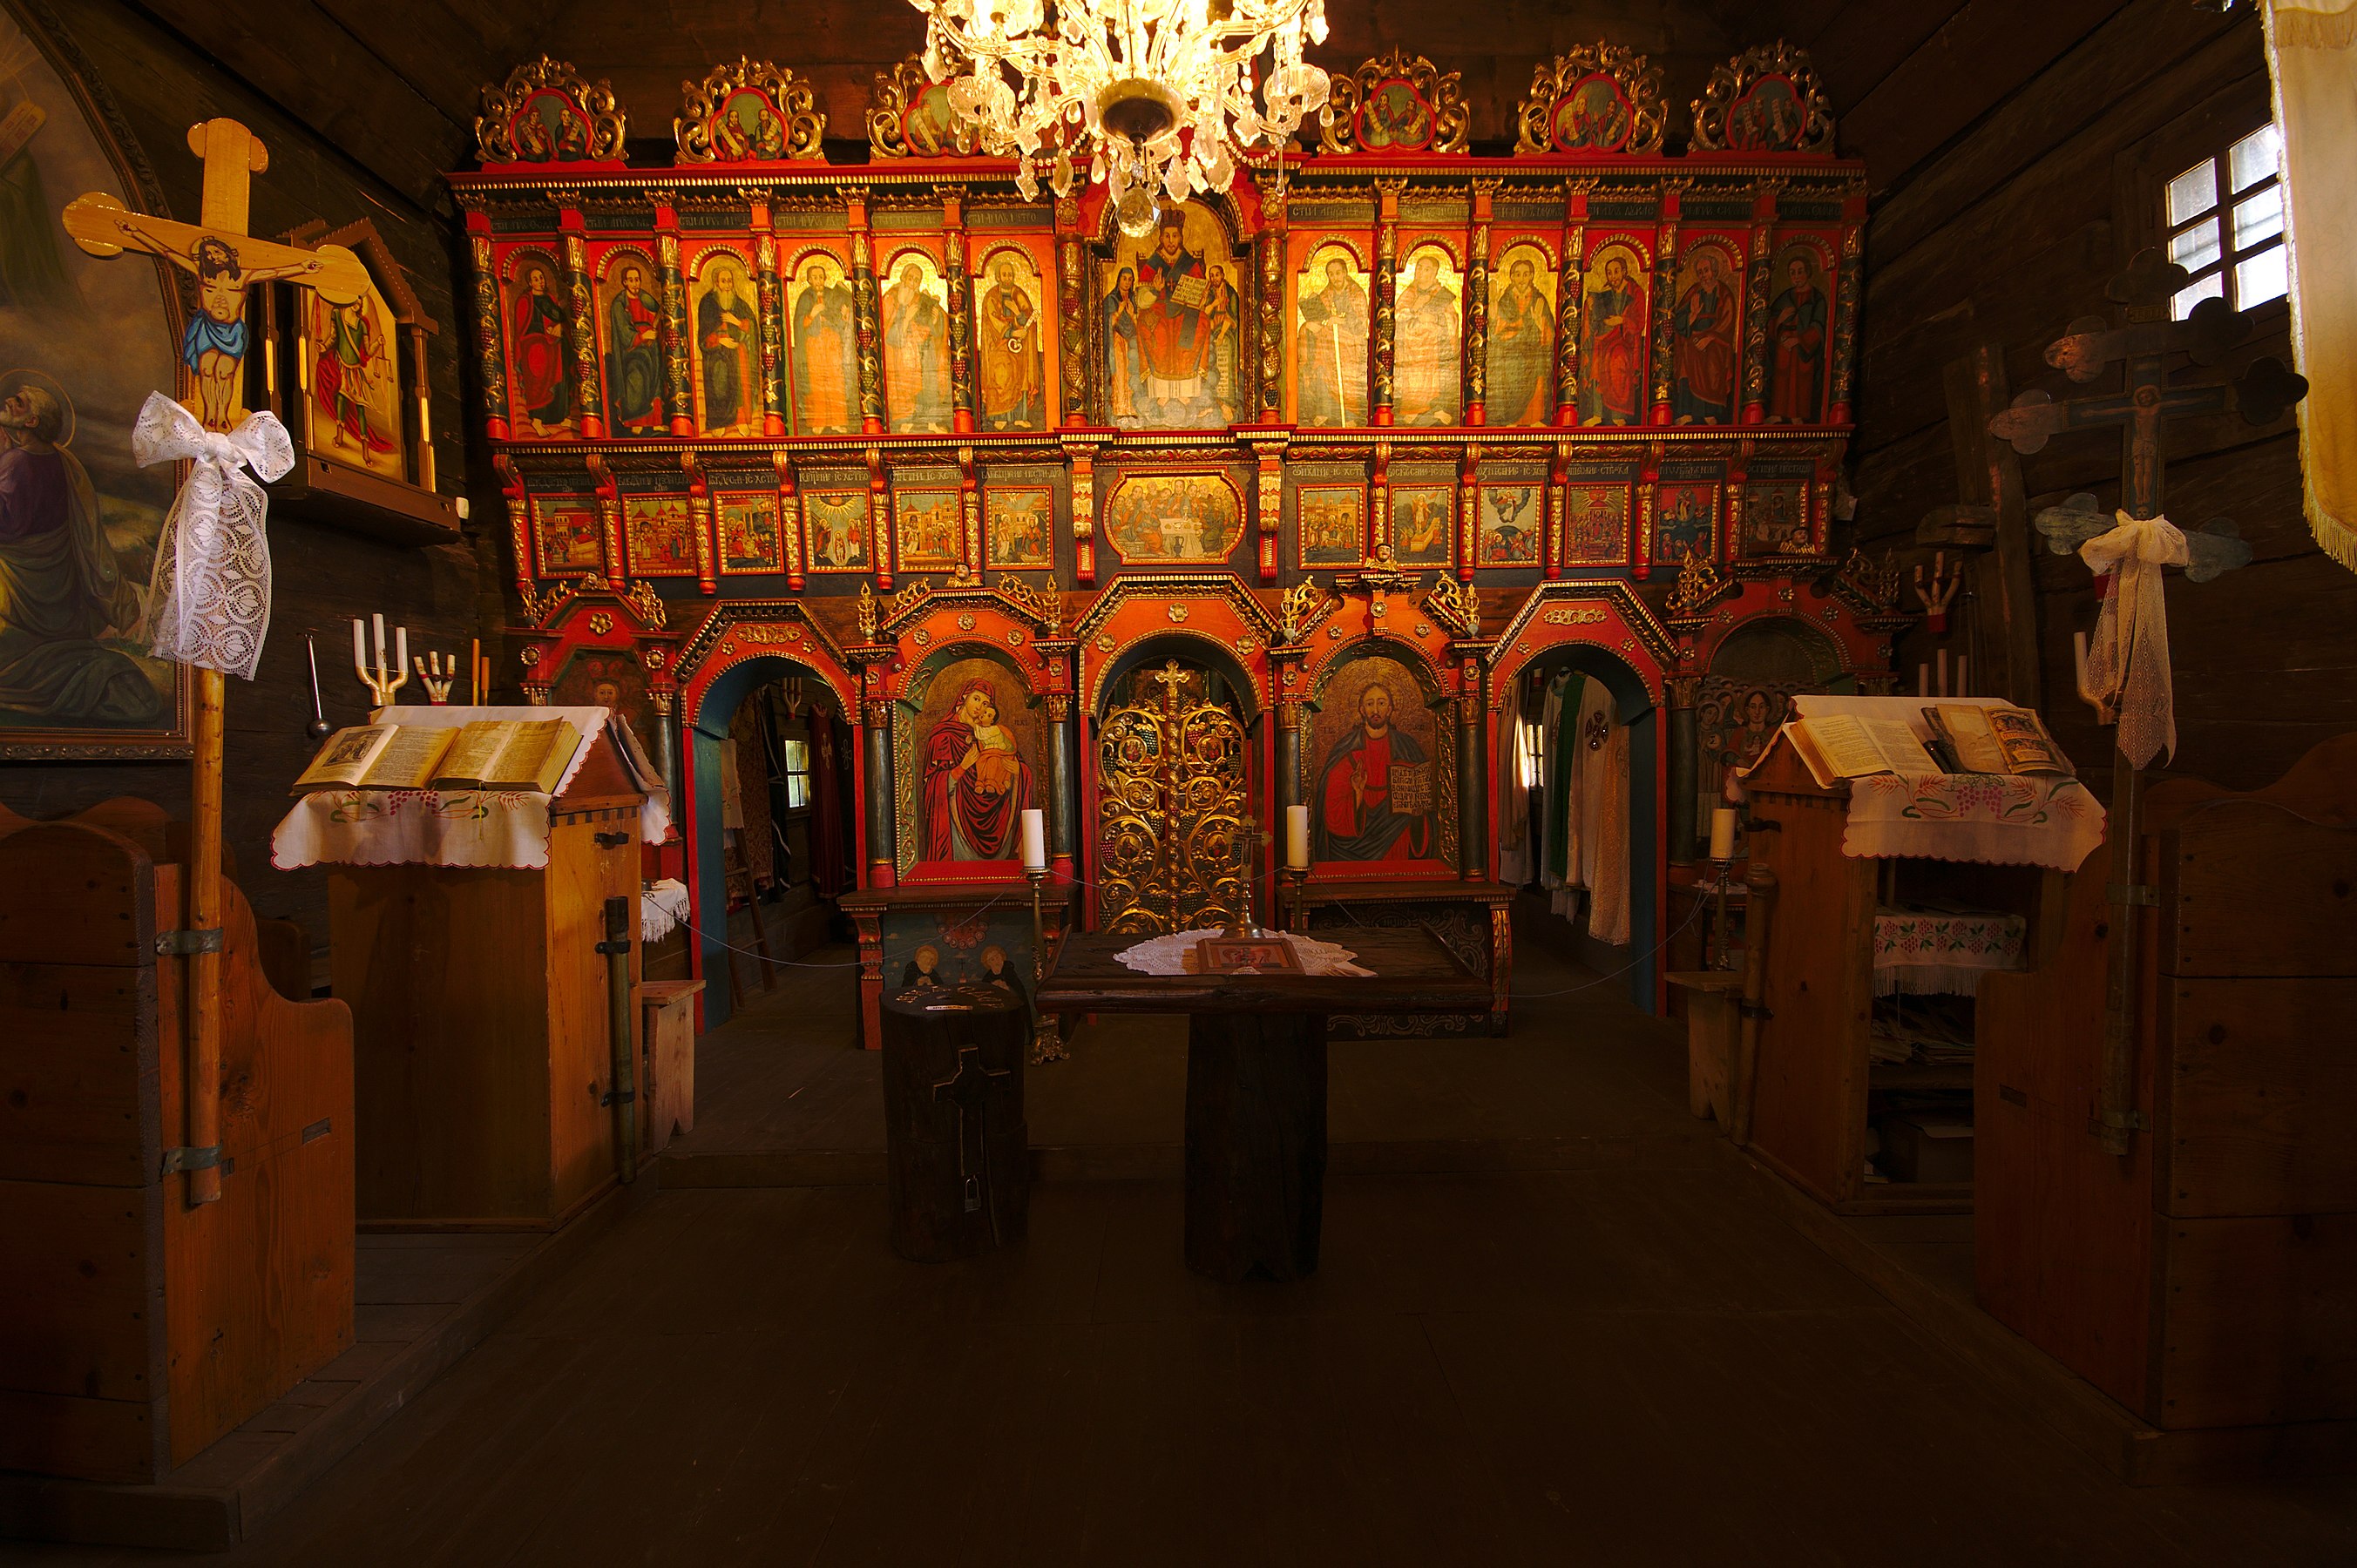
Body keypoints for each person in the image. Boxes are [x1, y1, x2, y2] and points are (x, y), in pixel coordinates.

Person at [0, 382, 159, 725]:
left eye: (19, 402)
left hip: (17, 576)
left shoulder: (14, 462)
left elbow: (9, 527)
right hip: (58, 579)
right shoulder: (63, 460)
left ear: (31, 422)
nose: (9, 402)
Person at [1313, 680, 1432, 862]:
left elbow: (1425, 799)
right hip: (1354, 845)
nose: (1375, 710)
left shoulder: (1408, 748)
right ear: (1362, 709)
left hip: (1398, 839)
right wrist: (1357, 795)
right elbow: (1332, 811)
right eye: (1370, 704)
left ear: (1391, 708)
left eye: (1382, 703)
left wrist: (1417, 809)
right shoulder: (1346, 750)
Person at [921, 678, 1034, 862]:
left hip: (999, 816)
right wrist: (962, 767)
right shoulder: (943, 736)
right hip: (957, 827)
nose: (979, 707)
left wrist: (1018, 771)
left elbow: (1014, 759)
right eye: (976, 699)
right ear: (964, 697)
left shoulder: (996, 733)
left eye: (985, 704)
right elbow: (932, 787)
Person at [1133, 211, 1210, 420]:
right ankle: (1161, 393)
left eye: (1175, 236)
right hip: (1158, 310)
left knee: (1201, 321)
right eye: (1167, 236)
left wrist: (1197, 297)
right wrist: (1156, 291)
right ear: (1160, 237)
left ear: (1181, 236)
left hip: (1185, 310)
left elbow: (1201, 293)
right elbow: (1140, 301)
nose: (1170, 241)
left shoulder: (1190, 263)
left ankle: (1186, 392)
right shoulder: (1153, 263)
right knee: (1150, 326)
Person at [314, 294, 396, 461]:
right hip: (341, 367)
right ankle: (339, 437)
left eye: (360, 303)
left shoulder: (362, 325)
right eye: (355, 301)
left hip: (355, 372)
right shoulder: (337, 315)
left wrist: (378, 343)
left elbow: (367, 351)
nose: (357, 305)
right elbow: (333, 338)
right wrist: (323, 347)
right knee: (341, 401)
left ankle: (365, 451)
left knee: (360, 409)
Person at [1297, 256, 1368, 426]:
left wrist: (1340, 321)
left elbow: (1361, 323)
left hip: (1351, 343)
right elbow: (1321, 316)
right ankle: (1325, 411)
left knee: (1345, 370)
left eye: (1338, 273)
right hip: (1330, 341)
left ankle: (1351, 415)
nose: (1335, 278)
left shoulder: (1356, 294)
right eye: (1331, 274)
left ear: (1345, 273)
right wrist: (1314, 323)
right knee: (1320, 362)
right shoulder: (1326, 294)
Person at [1670, 248, 1736, 424]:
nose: (1703, 275)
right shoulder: (1693, 292)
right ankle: (1686, 412)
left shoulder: (1724, 293)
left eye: (1706, 270)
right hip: (1693, 338)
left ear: (1714, 270)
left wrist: (1710, 338)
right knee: (1686, 357)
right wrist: (1692, 316)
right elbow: (1678, 320)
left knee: (1710, 362)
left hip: (1715, 341)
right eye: (1699, 272)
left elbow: (1727, 322)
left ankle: (1709, 413)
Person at [791, 258, 857, 434]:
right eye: (815, 277)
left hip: (832, 342)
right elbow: (799, 323)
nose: (818, 281)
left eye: (821, 277)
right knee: (817, 380)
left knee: (835, 379)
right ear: (809, 280)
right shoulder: (805, 297)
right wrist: (812, 315)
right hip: (814, 344)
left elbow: (840, 322)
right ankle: (818, 421)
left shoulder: (832, 295)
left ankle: (837, 420)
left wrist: (844, 316)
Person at [882, 260, 950, 433]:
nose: (912, 283)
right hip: (903, 354)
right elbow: (887, 333)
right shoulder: (891, 298)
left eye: (916, 280)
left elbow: (935, 327)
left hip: (925, 350)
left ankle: (931, 422)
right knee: (906, 386)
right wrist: (905, 319)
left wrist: (935, 320)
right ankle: (906, 421)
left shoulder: (921, 300)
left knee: (929, 383)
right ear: (903, 278)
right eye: (910, 278)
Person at [976, 257, 1041, 431]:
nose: (1007, 277)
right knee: (1002, 375)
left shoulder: (1019, 294)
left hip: (1018, 346)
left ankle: (1020, 417)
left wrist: (1016, 312)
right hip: (999, 345)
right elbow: (992, 320)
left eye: (1010, 274)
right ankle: (1001, 417)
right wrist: (1010, 332)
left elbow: (1029, 318)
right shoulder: (991, 296)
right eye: (1004, 274)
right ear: (998, 277)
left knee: (1021, 378)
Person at [1393, 252, 1460, 426]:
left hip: (1434, 349)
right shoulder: (1409, 292)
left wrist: (1435, 319)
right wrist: (1414, 310)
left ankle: (1436, 408)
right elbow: (1396, 316)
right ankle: (1413, 409)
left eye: (1427, 269)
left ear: (1434, 273)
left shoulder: (1441, 294)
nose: (1421, 272)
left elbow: (1452, 319)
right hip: (1412, 350)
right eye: (1419, 268)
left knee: (1433, 379)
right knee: (1413, 378)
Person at [1580, 253, 1645, 427]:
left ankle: (1618, 413)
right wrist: (1591, 307)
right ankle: (1597, 413)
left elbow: (1639, 320)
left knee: (1617, 359)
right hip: (1605, 337)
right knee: (1596, 360)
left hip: (1626, 341)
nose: (1613, 276)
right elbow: (1597, 320)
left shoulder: (1635, 291)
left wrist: (1622, 321)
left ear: (1624, 271)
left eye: (1616, 272)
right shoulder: (1606, 292)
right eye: (1609, 273)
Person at [1487, 256, 1554, 426]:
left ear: (1531, 276)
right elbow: (1496, 328)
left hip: (1532, 348)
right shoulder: (1506, 300)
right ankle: (1513, 418)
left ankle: (1534, 418)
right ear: (1512, 277)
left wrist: (1541, 325)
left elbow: (1550, 332)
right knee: (1508, 367)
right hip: (1510, 349)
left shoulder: (1539, 300)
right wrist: (1494, 306)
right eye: (1517, 275)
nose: (1522, 279)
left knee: (1538, 365)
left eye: (1525, 274)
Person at [509, 262, 572, 434]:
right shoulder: (525, 301)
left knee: (562, 374)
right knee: (540, 378)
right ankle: (537, 420)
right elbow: (523, 329)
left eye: (541, 278)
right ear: (530, 283)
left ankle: (561, 417)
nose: (540, 281)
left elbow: (560, 319)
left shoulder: (550, 299)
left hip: (555, 344)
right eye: (536, 279)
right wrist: (547, 333)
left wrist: (559, 328)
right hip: (536, 346)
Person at [698, 263, 760, 433]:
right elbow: (703, 334)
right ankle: (719, 424)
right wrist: (719, 341)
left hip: (737, 350)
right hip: (715, 353)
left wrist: (737, 322)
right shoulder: (708, 303)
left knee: (739, 386)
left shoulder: (739, 304)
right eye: (723, 281)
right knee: (719, 385)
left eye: (730, 281)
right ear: (716, 283)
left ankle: (740, 421)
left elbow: (752, 326)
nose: (727, 285)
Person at [1765, 254, 1826, 423]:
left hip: (1803, 346)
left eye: (1800, 272)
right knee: (1782, 378)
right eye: (1793, 273)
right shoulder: (1785, 298)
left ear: (1808, 272)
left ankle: (1798, 415)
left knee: (1801, 379)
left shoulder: (1816, 299)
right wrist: (1779, 320)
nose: (1796, 276)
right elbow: (1767, 322)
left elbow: (1818, 326)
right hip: (1784, 344)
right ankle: (1778, 413)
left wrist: (1800, 340)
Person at [606, 262, 664, 432]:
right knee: (636, 378)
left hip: (650, 347)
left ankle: (654, 421)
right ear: (624, 282)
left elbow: (659, 312)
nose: (635, 284)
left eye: (637, 280)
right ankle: (634, 422)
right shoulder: (619, 304)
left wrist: (654, 333)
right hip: (631, 352)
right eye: (631, 280)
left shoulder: (645, 298)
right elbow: (624, 335)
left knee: (655, 379)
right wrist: (641, 337)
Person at [1101, 266, 1141, 424]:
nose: (1127, 282)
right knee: (1119, 373)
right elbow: (1109, 322)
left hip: (1129, 343)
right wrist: (1120, 310)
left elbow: (1136, 327)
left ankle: (1129, 405)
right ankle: (1119, 407)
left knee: (1130, 373)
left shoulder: (1132, 301)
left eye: (1130, 280)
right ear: (1118, 279)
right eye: (1124, 278)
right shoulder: (1112, 299)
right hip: (1116, 341)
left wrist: (1131, 314)